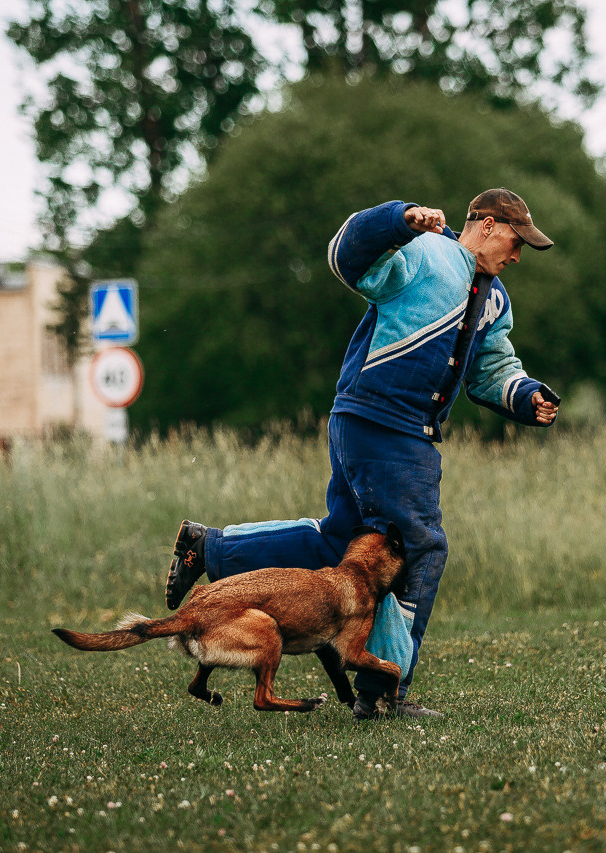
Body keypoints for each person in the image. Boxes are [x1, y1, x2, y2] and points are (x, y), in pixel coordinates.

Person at [163, 188, 560, 719]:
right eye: (516, 242)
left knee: (340, 542)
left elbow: (492, 370)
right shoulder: (424, 251)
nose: (516, 257)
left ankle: (210, 550)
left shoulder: (495, 301)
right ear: (486, 225)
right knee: (417, 547)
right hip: (385, 424)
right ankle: (381, 692)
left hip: (373, 423)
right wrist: (398, 220)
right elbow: (345, 257)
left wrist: (525, 394)